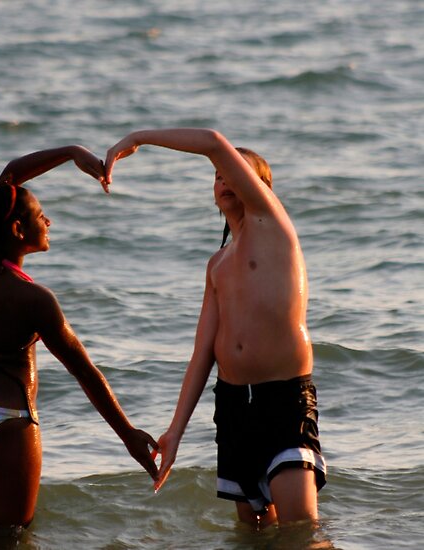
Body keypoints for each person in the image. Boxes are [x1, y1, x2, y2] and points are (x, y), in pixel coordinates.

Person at [105, 129, 326, 528]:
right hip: (233, 406)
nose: (224, 179)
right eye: (219, 176)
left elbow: (211, 141)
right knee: (253, 533)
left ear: (261, 189)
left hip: (283, 398)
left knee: (301, 530)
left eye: (234, 173)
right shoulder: (217, 264)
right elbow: (202, 352)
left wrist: (137, 138)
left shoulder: (272, 226)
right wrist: (175, 431)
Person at [0, 145, 158, 527]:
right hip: (5, 422)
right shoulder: (34, 299)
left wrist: (72, 152)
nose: (50, 222)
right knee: (12, 537)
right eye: (42, 217)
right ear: (17, 229)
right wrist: (128, 434)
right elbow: (85, 372)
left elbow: (10, 176)